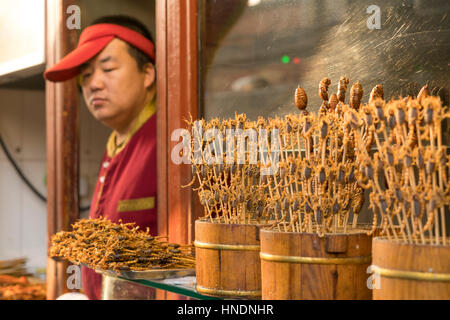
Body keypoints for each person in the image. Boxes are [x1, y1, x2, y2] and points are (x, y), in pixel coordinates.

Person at [44, 15, 157, 300]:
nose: (93, 84)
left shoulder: (167, 142)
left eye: (107, 68)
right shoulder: (117, 143)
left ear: (147, 74)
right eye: (86, 75)